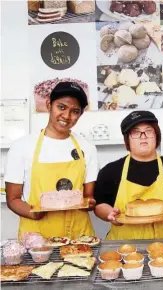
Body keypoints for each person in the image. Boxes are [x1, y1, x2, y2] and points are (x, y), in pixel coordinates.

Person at [5, 82, 98, 239]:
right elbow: (13, 199)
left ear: (80, 114)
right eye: (61, 107)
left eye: (74, 111)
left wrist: (89, 203)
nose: (67, 116)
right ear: (49, 105)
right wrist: (34, 214)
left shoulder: (87, 148)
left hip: (79, 237)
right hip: (36, 238)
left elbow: (88, 196)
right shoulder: (21, 147)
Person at [94, 110, 163, 240]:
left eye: (149, 131)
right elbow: (99, 204)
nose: (143, 136)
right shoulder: (111, 170)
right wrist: (109, 214)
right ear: (127, 139)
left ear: (156, 135)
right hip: (122, 246)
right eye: (136, 132)